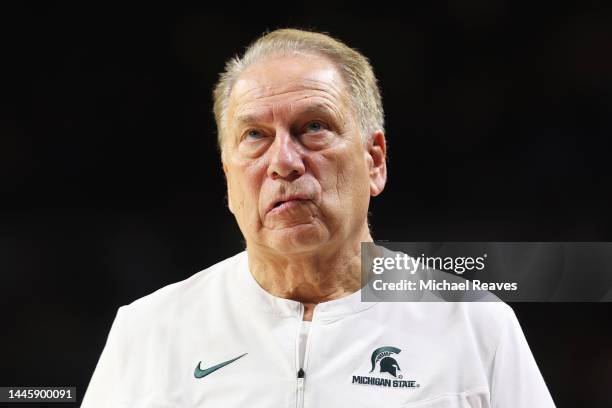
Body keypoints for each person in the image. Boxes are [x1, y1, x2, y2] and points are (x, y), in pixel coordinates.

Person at [81, 28, 556, 407]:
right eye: (254, 135)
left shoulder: (476, 326)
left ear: (374, 161)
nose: (283, 161)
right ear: (228, 178)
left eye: (313, 127)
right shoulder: (147, 332)